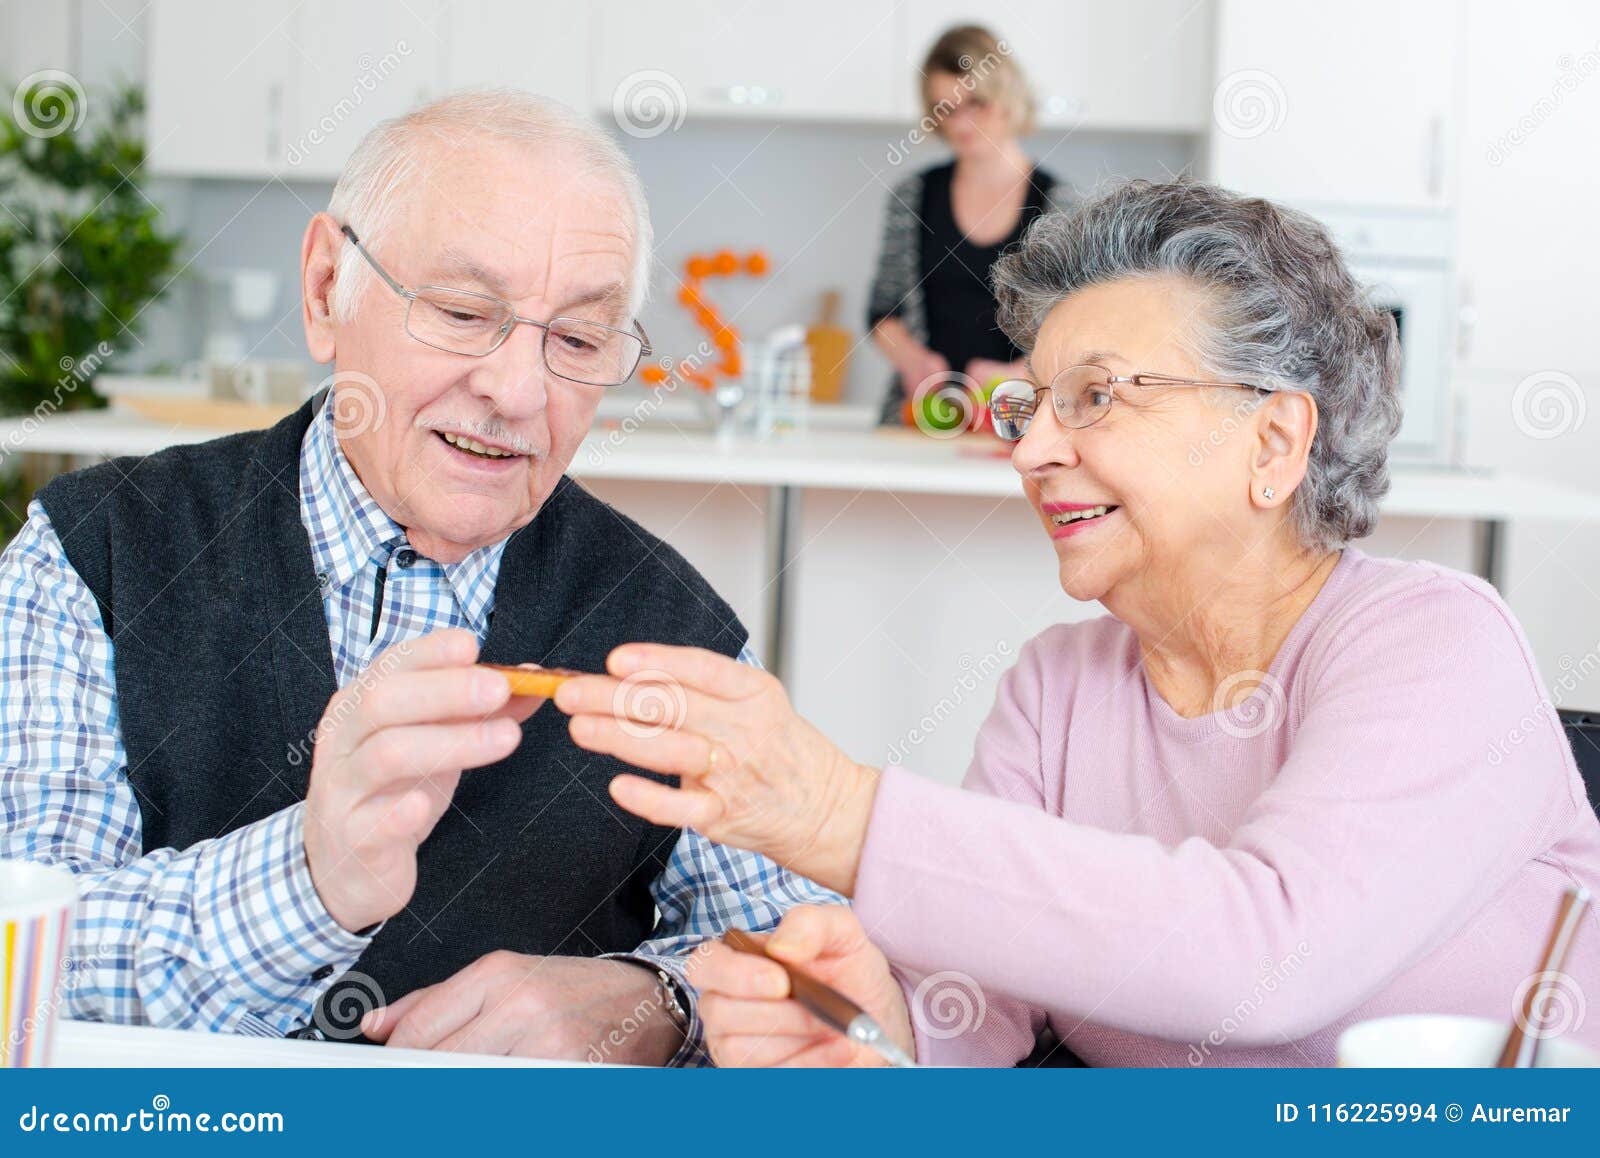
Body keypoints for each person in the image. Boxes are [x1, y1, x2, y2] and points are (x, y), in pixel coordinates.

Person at [555, 180, 1600, 1066]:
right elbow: (972, 1008)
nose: (1031, 450)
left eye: (1096, 397)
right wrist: (863, 1021)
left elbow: (1265, 958)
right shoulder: (1059, 688)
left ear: (1274, 441)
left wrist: (842, 815)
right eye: (1031, 404)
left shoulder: (1435, 645)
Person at [0, 89, 836, 1065]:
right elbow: (21, 960)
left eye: (574, 340)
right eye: (463, 312)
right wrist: (312, 877)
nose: (518, 391)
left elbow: (810, 976)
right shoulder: (95, 551)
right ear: (325, 290)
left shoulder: (673, 633)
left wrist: (655, 1005)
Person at [868, 24, 1062, 425]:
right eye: (946, 108)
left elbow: (1079, 324)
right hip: (920, 418)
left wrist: (1019, 374)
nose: (961, 124)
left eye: (976, 103)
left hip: (1017, 421)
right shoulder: (912, 196)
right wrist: (912, 361)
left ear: (1007, 98)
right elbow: (883, 310)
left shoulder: (1061, 205)